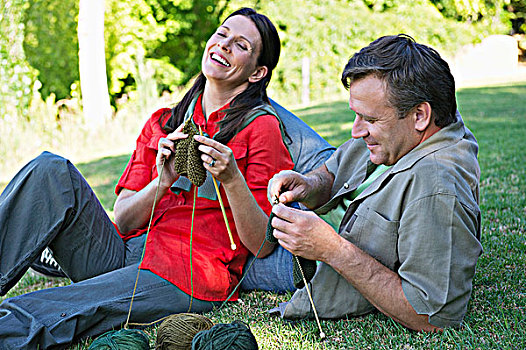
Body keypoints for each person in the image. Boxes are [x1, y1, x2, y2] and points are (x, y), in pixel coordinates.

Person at [0, 8, 334, 349]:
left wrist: (232, 179)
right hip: (127, 255)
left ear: (257, 73)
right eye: (222, 33)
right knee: (50, 169)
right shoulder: (163, 122)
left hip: (189, 275)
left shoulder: (260, 128)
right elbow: (125, 219)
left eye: (241, 44)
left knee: (56, 306)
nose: (225, 45)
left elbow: (262, 246)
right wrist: (163, 180)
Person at [267, 34, 483, 331]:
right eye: (357, 115)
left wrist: (331, 249)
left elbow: (433, 318)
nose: (356, 131)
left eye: (369, 119)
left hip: (320, 263)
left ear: (420, 115)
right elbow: (333, 171)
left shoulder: (437, 185)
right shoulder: (401, 132)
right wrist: (309, 184)